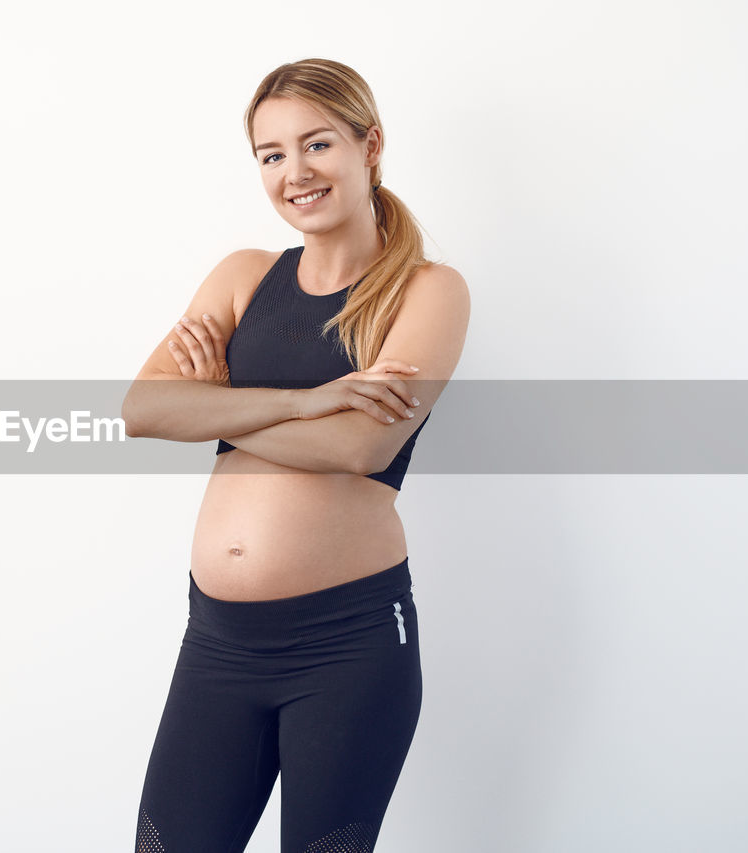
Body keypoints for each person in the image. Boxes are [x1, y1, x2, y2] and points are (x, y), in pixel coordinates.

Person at [121, 58, 470, 852]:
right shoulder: (244, 277)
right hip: (216, 645)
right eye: (272, 154)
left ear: (369, 144)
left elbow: (362, 444)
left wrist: (214, 405)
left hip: (347, 645)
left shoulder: (427, 291)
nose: (295, 172)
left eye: (317, 144)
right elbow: (142, 410)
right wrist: (305, 398)